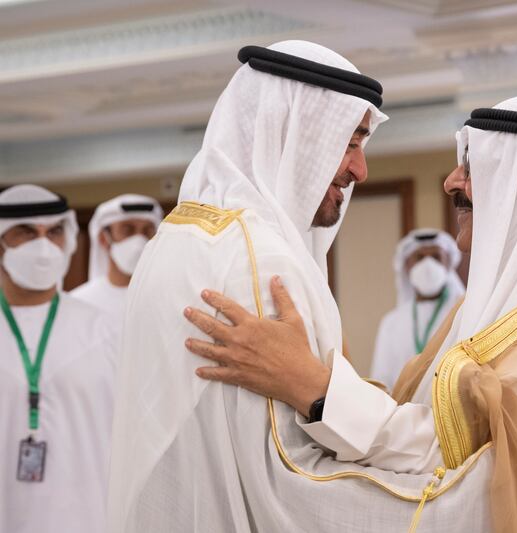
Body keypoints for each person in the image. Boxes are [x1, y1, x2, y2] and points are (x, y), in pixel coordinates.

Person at [182, 96, 517, 531]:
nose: (451, 182)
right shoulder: (489, 305)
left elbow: (470, 479)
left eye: (473, 166)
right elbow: (419, 415)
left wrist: (313, 389)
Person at [105, 40, 388, 532]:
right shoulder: (260, 261)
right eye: (349, 142)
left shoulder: (178, 236)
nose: (360, 170)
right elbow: (290, 476)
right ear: (292, 132)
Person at [0, 185, 117, 533]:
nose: (43, 245)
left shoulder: (108, 331)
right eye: (25, 233)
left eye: (53, 232)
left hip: (88, 519)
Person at [371, 228, 464, 389]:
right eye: (419, 257)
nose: (428, 265)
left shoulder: (463, 314)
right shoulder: (391, 323)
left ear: (448, 263)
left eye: (436, 257)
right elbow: (381, 381)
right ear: (407, 265)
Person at [71, 194, 162, 326]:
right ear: (103, 239)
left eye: (147, 231)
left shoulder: (170, 297)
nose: (138, 241)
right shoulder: (79, 302)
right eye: (127, 230)